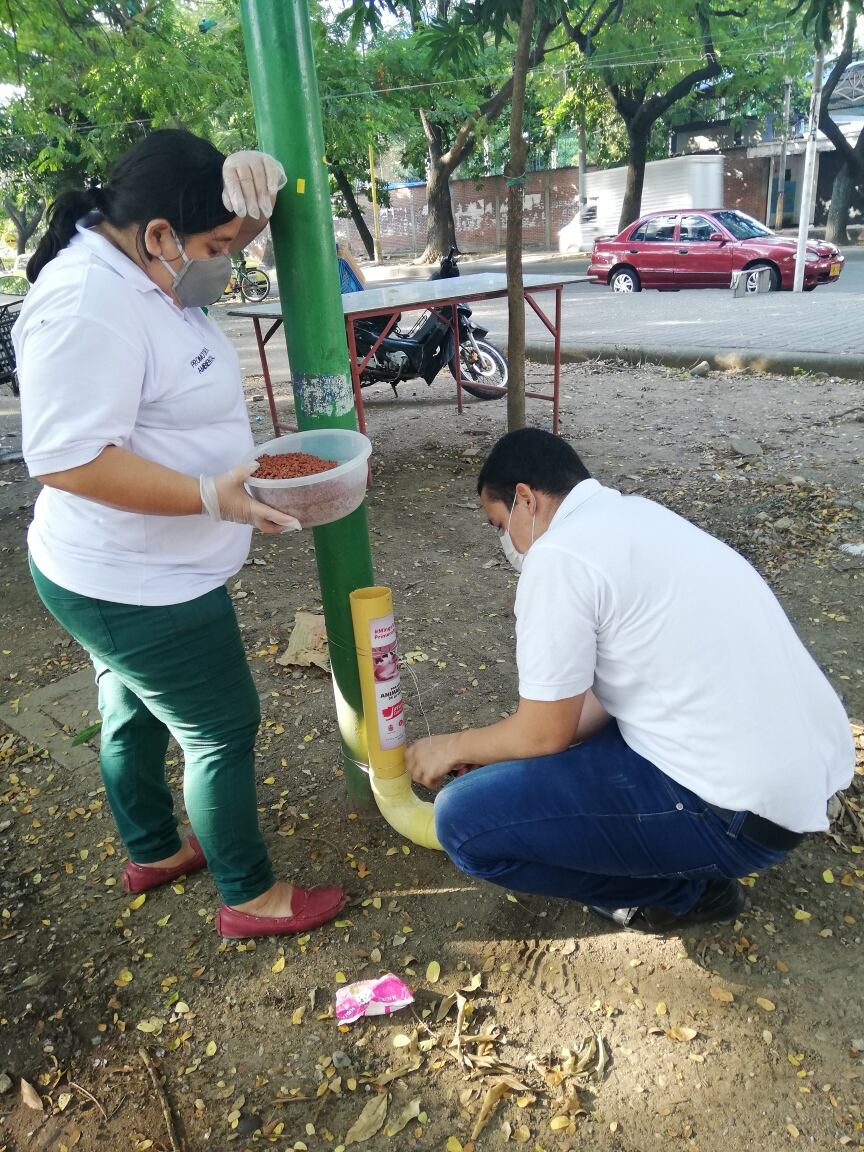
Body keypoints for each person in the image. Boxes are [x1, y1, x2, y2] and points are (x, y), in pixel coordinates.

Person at [14, 130, 345, 940]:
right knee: (220, 727)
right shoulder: (89, 303)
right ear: (159, 234)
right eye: (217, 246)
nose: (226, 262)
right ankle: (250, 895)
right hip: (138, 583)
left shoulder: (144, 267)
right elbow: (66, 458)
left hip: (122, 574)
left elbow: (212, 241)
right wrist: (210, 495)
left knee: (130, 707)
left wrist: (257, 192)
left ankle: (154, 851)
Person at [406, 428, 855, 933]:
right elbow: (596, 706)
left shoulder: (559, 557)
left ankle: (682, 892)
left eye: (499, 522)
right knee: (518, 772)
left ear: (525, 499)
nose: (505, 542)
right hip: (803, 784)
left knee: (462, 822)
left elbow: (543, 733)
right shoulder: (639, 517)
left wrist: (451, 746)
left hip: (734, 817)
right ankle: (685, 861)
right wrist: (490, 755)